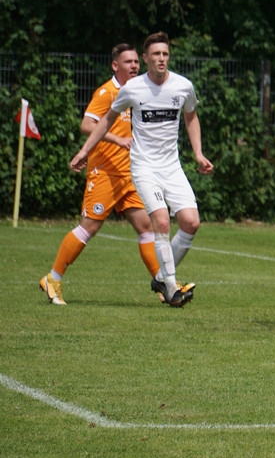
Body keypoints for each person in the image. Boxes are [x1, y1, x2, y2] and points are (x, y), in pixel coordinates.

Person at [70, 31, 212, 308]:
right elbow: (105, 120)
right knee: (162, 222)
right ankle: (171, 288)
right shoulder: (132, 89)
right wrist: (84, 151)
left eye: (165, 54)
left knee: (191, 222)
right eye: (156, 54)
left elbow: (191, 116)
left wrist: (198, 153)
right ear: (146, 58)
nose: (161, 59)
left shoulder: (183, 86)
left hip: (172, 166)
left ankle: (160, 277)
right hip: (143, 167)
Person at [40, 44, 160, 304]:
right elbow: (87, 124)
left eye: (136, 61)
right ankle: (52, 279)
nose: (134, 66)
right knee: (89, 228)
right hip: (105, 172)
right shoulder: (107, 92)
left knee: (146, 227)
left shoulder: (137, 92)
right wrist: (117, 139)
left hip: (129, 174)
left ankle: (165, 287)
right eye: (127, 62)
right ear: (115, 65)